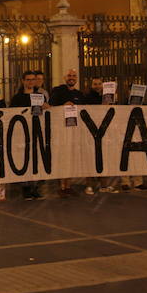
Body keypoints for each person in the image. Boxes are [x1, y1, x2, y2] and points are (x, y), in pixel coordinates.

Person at [9, 70, 47, 201]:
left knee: (36, 160)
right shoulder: (17, 98)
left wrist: (46, 107)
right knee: (24, 160)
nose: (31, 82)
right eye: (28, 79)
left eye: (33, 79)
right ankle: (25, 188)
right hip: (21, 133)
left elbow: (46, 112)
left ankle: (35, 187)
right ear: (23, 81)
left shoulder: (39, 96)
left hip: (36, 131)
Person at [48, 69, 84, 197]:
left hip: (73, 131)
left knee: (70, 158)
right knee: (61, 158)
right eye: (69, 75)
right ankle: (61, 186)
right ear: (65, 77)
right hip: (60, 130)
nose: (71, 78)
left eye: (74, 76)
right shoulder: (57, 91)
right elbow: (51, 106)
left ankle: (68, 186)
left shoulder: (79, 94)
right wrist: (63, 106)